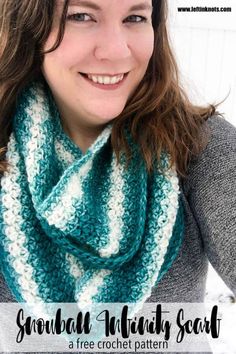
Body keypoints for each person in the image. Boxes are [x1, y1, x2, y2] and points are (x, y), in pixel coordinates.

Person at [0, 0, 235, 353]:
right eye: (81, 16)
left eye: (135, 17)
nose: (116, 49)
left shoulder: (199, 145)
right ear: (29, 26)